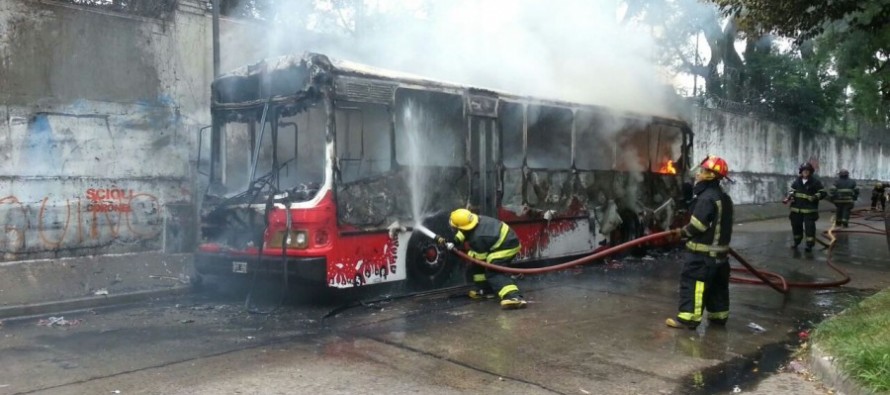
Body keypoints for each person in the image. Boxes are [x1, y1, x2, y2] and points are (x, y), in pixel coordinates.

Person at [665, 156, 734, 330]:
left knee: (693, 284)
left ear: (711, 175)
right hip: (720, 257)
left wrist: (681, 233)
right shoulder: (725, 198)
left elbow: (698, 225)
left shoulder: (706, 198)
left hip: (702, 257)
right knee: (717, 288)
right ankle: (719, 317)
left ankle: (688, 319)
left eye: (703, 171)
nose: (699, 174)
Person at [439, 209, 527, 309]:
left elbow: (480, 259)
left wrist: (460, 253)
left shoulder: (477, 238)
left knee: (493, 272)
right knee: (478, 268)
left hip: (507, 246)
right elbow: (464, 232)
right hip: (502, 240)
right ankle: (485, 290)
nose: (453, 228)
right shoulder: (474, 221)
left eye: (454, 227)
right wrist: (455, 241)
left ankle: (514, 297)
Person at [783, 163, 827, 252]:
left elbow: (823, 193)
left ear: (810, 172)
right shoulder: (797, 181)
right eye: (804, 170)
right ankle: (796, 242)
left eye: (807, 170)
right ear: (801, 171)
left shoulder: (815, 182)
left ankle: (809, 245)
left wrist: (815, 197)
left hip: (809, 210)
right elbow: (792, 191)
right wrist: (788, 198)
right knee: (796, 226)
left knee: (809, 228)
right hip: (796, 209)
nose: (805, 172)